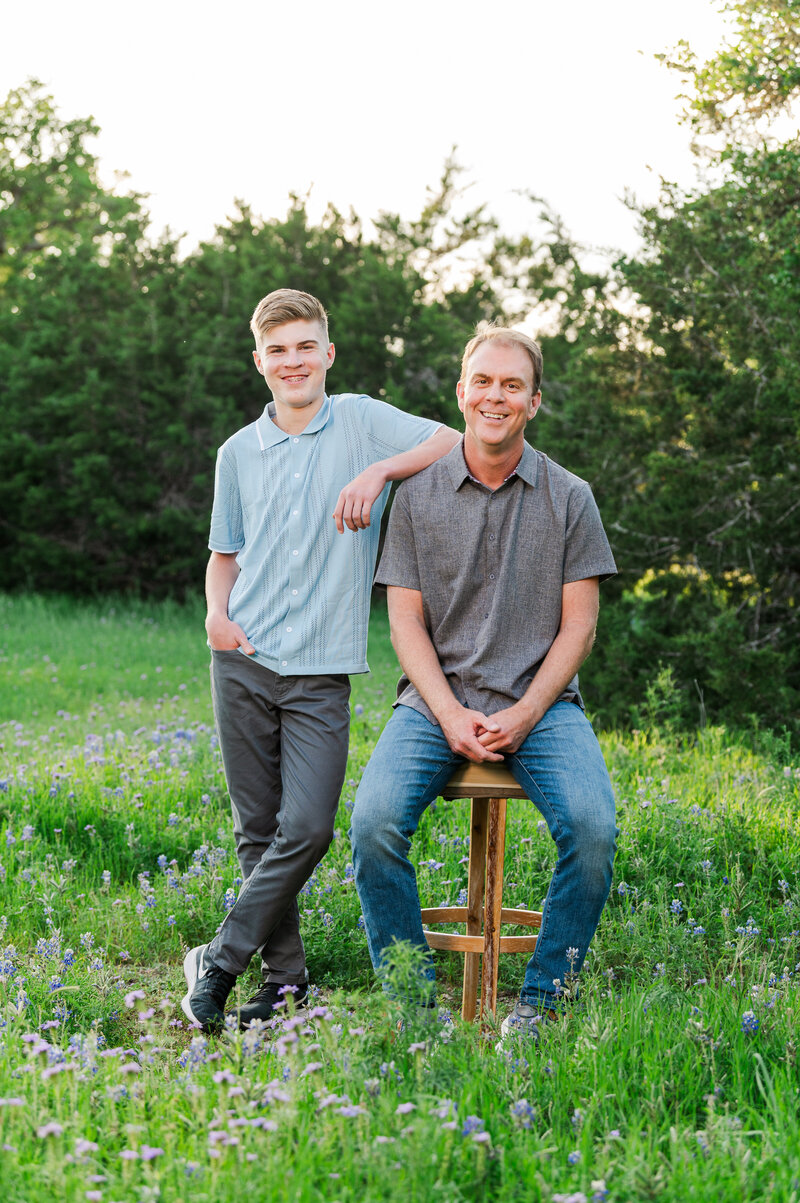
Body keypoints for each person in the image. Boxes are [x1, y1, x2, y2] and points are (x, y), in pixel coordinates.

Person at [181, 288, 459, 1031]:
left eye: (306, 346)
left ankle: (217, 960)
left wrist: (379, 473)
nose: (293, 360)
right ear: (259, 362)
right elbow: (223, 553)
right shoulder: (237, 451)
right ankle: (284, 980)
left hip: (318, 672)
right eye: (278, 350)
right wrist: (215, 616)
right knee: (256, 826)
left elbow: (445, 438)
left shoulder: (362, 421)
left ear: (327, 354)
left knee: (307, 827)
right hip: (241, 656)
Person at [350, 326, 618, 1037]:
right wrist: (446, 712)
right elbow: (404, 622)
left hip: (543, 705)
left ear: (533, 400)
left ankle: (538, 1005)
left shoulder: (570, 496)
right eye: (483, 381)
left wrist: (528, 710)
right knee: (373, 825)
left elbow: (580, 627)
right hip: (434, 702)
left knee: (592, 830)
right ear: (461, 392)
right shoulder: (415, 496)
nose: (495, 395)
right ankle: (415, 1010)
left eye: (511, 384)